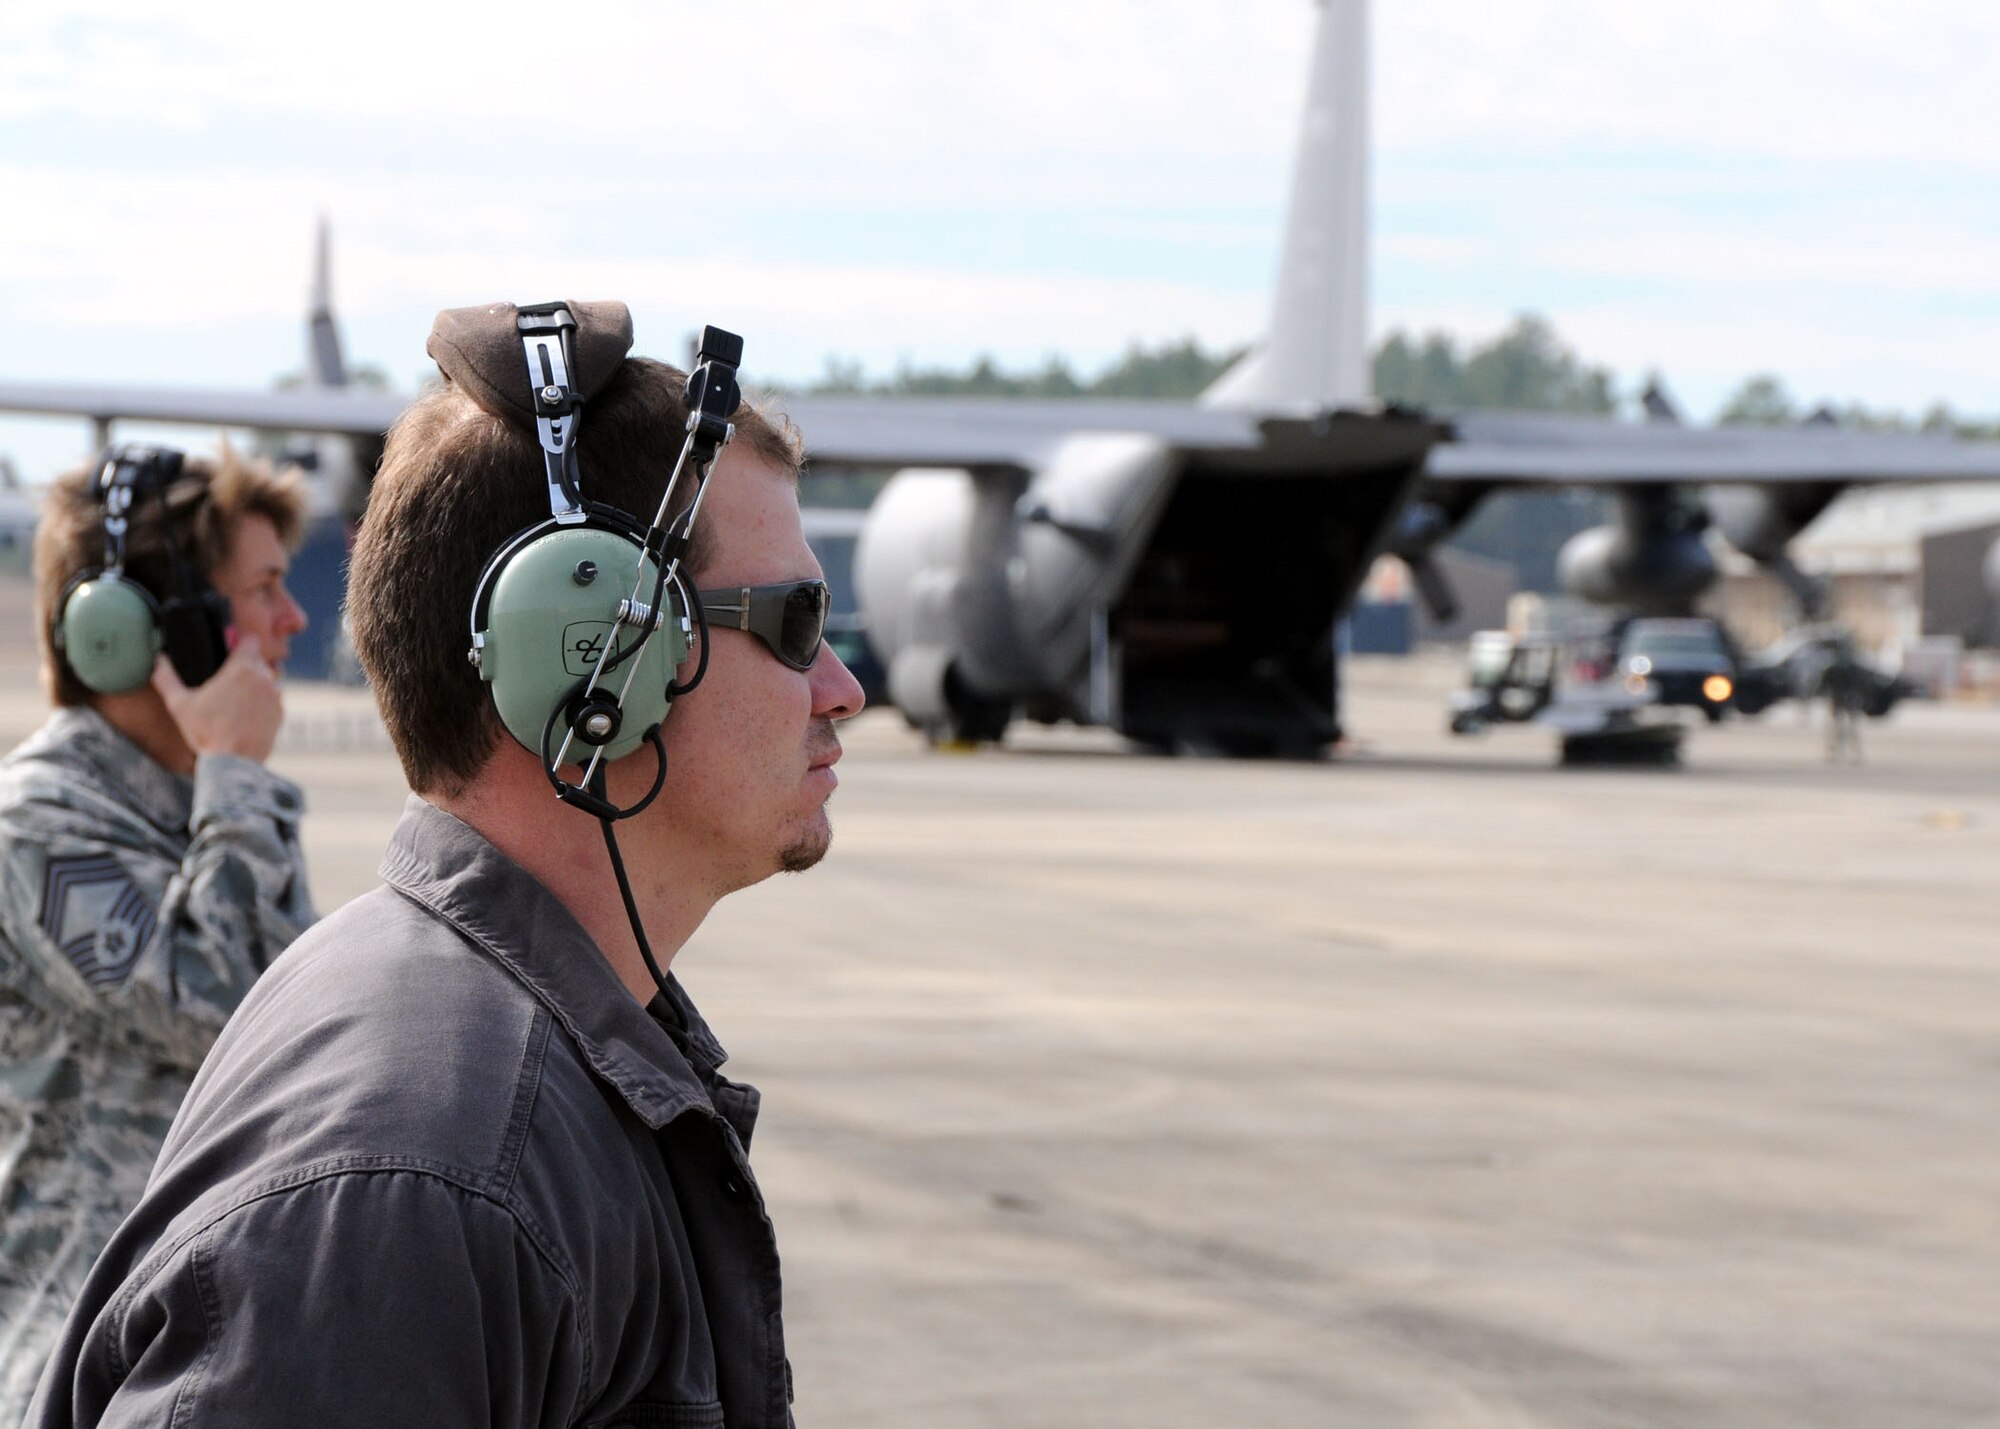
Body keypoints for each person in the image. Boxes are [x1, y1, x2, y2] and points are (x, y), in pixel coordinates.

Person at [28, 302, 865, 1428]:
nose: (842, 689)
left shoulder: (489, 1082)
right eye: (797, 619)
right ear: (588, 660)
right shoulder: (419, 1179)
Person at [0, 445, 315, 1418]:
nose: (292, 619)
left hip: (214, 1350)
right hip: (83, 1369)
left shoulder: (222, 805)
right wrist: (231, 779)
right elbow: (234, 1018)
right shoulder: (35, 829)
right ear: (143, 630)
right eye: (263, 588)